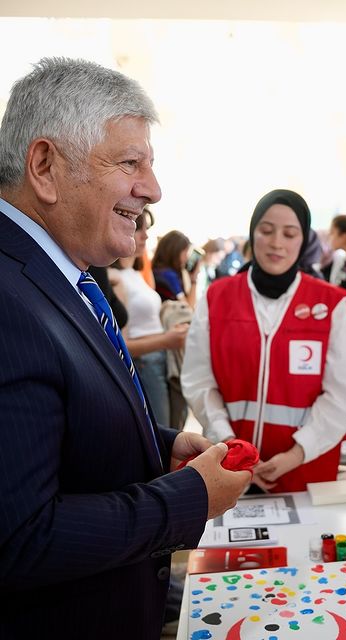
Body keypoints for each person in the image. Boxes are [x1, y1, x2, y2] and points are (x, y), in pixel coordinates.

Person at [0, 57, 251, 639]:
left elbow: (55, 426)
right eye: (130, 163)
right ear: (44, 166)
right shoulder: (10, 296)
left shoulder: (57, 276)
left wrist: (157, 446)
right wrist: (188, 498)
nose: (153, 189)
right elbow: (22, 537)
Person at [181, 189, 346, 493]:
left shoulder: (331, 305)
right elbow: (199, 381)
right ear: (253, 234)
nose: (277, 243)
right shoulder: (217, 297)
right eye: (266, 231)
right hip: (231, 469)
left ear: (303, 241)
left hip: (306, 473)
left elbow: (338, 397)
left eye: (290, 234)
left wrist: (295, 454)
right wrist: (229, 445)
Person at [111, 207, 190, 427]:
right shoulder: (115, 278)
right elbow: (122, 345)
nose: (145, 235)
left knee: (174, 425)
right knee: (161, 431)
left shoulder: (137, 275)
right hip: (145, 362)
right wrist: (167, 340)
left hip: (162, 358)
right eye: (138, 228)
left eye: (146, 229)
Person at [152, 229, 198, 308]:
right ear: (175, 251)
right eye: (185, 252)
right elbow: (188, 308)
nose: (187, 257)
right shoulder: (169, 275)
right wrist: (194, 280)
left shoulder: (157, 269)